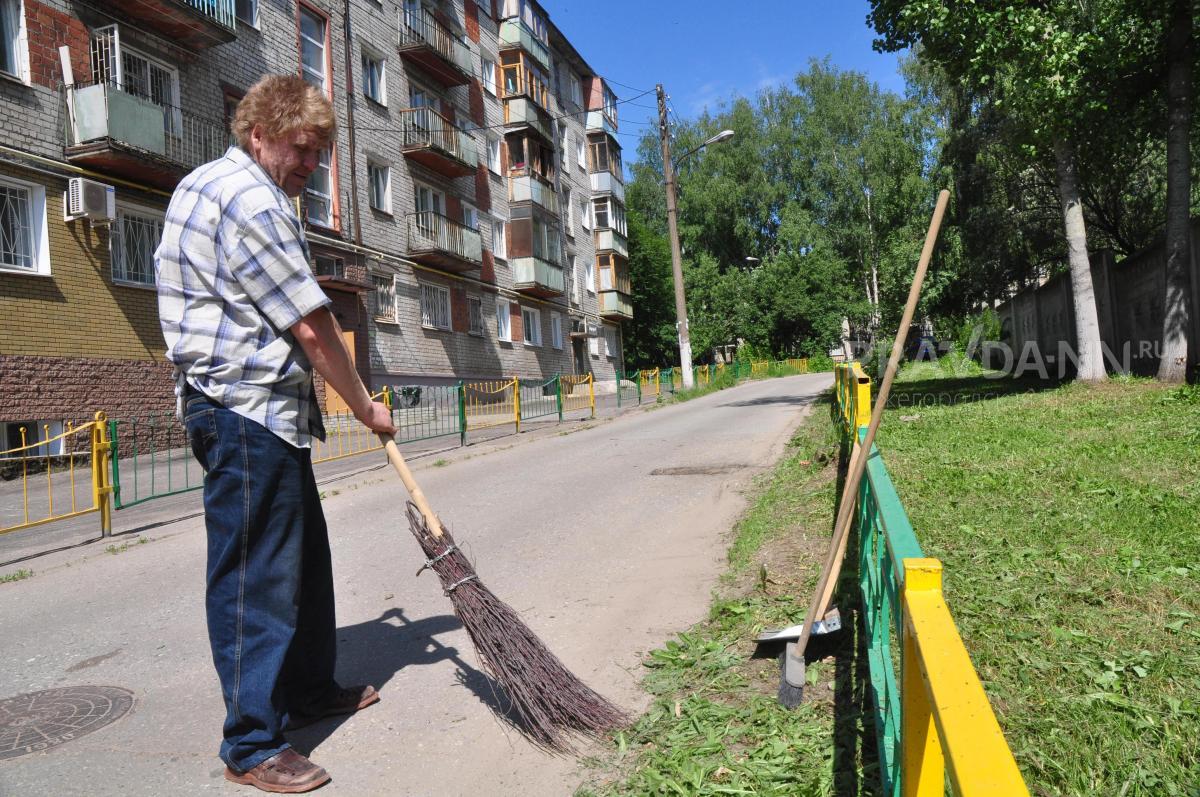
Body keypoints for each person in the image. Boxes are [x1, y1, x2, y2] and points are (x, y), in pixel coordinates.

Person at [155, 75, 397, 794]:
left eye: (320, 153)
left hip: (265, 408)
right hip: (241, 407)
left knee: (302, 562)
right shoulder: (252, 198)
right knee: (255, 579)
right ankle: (252, 742)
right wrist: (363, 406)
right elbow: (310, 323)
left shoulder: (220, 186)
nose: (310, 166)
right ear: (258, 133)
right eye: (302, 148)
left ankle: (309, 687)